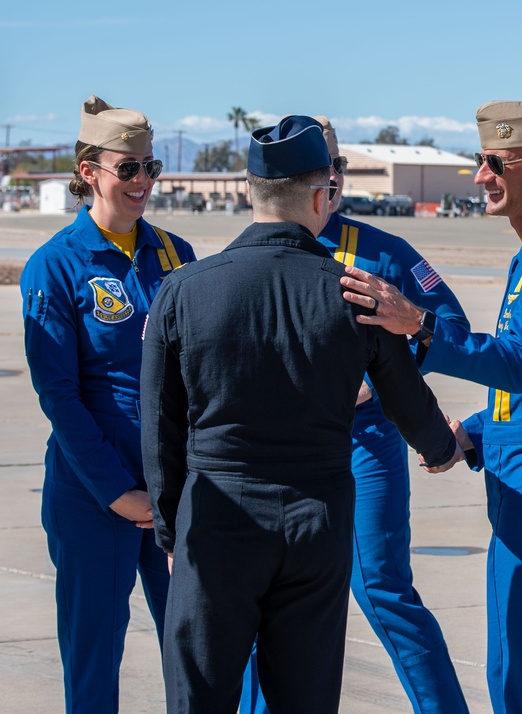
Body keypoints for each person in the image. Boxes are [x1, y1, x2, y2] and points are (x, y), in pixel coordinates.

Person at [140, 115, 458, 714]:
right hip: (317, 522)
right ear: (322, 194)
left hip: (218, 520)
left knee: (200, 697)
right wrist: (441, 450)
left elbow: (160, 428)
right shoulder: (354, 292)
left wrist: (168, 530)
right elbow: (407, 398)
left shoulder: (184, 291)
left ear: (249, 193)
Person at [340, 91, 522, 714]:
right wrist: (475, 433)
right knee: (512, 675)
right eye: (480, 160)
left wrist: (421, 326)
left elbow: (520, 363)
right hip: (521, 481)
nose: (481, 176)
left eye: (497, 161)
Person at [239, 117, 470, 714]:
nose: (333, 177)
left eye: (339, 165)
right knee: (263, 600)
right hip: (278, 453)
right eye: (324, 167)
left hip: (365, 446)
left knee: (382, 589)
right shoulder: (251, 254)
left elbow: (449, 327)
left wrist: (376, 382)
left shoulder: (384, 251)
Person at [20, 95, 195, 712]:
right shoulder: (54, 267)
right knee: (94, 657)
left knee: (196, 653)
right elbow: (58, 394)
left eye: (152, 168)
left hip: (172, 489)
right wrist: (116, 492)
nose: (143, 182)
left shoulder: (176, 256)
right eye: (129, 169)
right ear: (89, 170)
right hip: (93, 492)